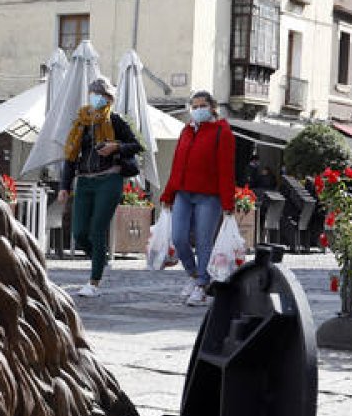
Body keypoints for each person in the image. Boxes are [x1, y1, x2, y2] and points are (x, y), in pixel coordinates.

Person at [57, 77, 142, 298]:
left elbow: (136, 145)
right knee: (79, 232)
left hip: (109, 179)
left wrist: (116, 146)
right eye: (93, 93)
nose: (96, 97)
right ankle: (101, 259)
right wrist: (64, 186)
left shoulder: (115, 121)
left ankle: (94, 282)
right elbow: (70, 157)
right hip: (84, 181)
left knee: (97, 228)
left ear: (109, 99)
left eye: (101, 94)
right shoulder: (80, 123)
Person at [160, 90, 236, 306]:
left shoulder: (223, 133)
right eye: (194, 106)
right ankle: (194, 276)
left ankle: (202, 285)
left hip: (209, 197)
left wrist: (228, 202)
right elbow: (176, 166)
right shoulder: (186, 131)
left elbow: (226, 169)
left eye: (202, 105)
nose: (197, 110)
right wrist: (168, 194)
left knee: (204, 242)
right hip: (183, 194)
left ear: (212, 107)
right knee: (179, 238)